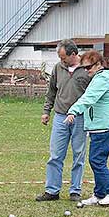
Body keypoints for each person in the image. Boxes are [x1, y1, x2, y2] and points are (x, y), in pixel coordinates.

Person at [64, 50, 109, 206]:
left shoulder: (102, 80)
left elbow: (88, 98)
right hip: (100, 126)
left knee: (96, 161)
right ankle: (99, 194)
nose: (86, 70)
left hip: (105, 126)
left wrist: (73, 111)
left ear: (98, 64)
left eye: (89, 67)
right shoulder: (99, 78)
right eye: (84, 67)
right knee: (98, 160)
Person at [36, 39, 91, 202]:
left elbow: (93, 95)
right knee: (55, 155)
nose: (61, 61)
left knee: (78, 155)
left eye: (63, 57)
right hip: (60, 116)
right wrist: (46, 111)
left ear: (73, 54)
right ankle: (52, 191)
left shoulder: (88, 69)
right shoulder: (58, 68)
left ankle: (75, 191)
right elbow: (51, 91)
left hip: (80, 118)